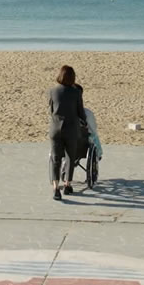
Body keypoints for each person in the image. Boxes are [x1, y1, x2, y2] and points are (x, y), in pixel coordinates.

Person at [48, 64, 87, 200]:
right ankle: (67, 184)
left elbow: (51, 110)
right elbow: (80, 112)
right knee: (70, 156)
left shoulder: (53, 91)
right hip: (71, 129)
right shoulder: (76, 93)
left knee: (56, 158)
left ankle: (55, 188)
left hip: (55, 128)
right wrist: (84, 121)